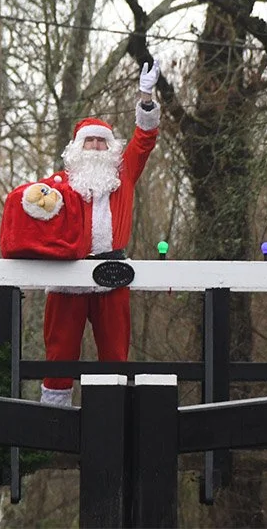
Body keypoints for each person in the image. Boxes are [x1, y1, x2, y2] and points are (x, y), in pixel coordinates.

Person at [32, 60, 161, 406]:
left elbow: (144, 139)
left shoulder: (124, 175)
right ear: (76, 148)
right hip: (67, 274)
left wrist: (145, 98)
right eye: (88, 142)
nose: (94, 147)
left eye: (101, 143)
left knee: (115, 353)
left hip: (111, 273)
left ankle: (113, 416)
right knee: (59, 351)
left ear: (111, 149)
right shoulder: (58, 184)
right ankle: (52, 421)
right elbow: (31, 212)